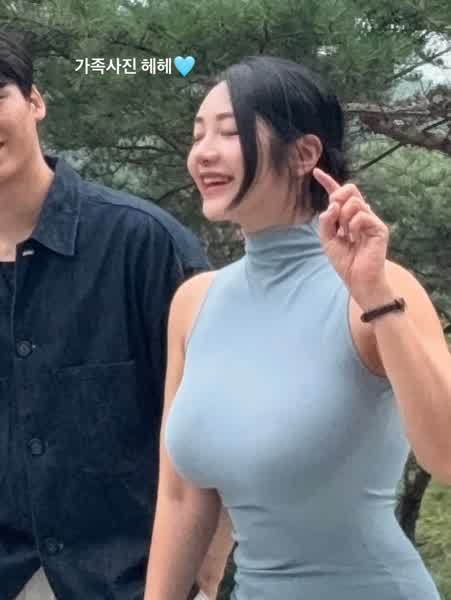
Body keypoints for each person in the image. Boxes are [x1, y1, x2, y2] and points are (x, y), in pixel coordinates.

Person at [144, 55, 451, 599]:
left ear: (304, 154)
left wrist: (377, 296)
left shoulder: (376, 291)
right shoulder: (195, 304)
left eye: (229, 132)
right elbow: (183, 497)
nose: (203, 152)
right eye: (197, 135)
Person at [0, 30, 233, 600]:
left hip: (134, 580)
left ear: (35, 101)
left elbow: (226, 419)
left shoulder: (143, 245)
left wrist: (203, 576)